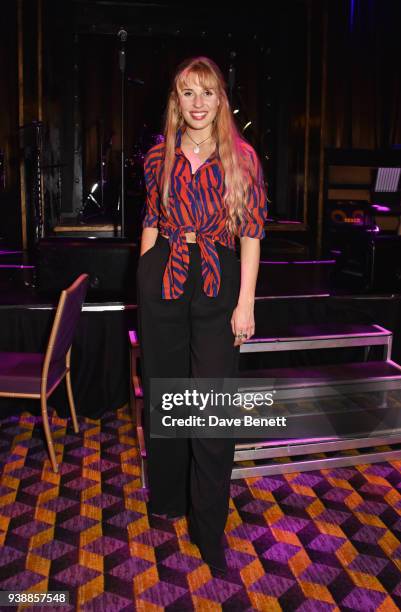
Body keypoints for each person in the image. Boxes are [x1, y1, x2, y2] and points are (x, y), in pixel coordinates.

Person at [136, 56, 268, 573]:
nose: (197, 103)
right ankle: (169, 499)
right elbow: (151, 219)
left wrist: (246, 303)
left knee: (212, 409)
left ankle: (209, 526)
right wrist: (145, 278)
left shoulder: (242, 158)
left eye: (207, 92)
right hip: (164, 273)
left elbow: (253, 232)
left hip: (218, 278)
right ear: (177, 100)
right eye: (187, 92)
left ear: (221, 100)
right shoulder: (158, 156)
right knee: (167, 393)